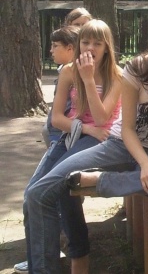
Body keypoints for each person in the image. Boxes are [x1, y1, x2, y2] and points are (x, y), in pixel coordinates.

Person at [25, 15, 148, 273]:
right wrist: (144, 165)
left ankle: (100, 180)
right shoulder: (137, 69)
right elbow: (127, 129)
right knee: (37, 193)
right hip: (119, 144)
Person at [22, 20, 122, 274]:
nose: (90, 48)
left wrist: (88, 80)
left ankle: (57, 263)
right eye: (85, 42)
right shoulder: (68, 71)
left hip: (101, 141)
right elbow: (56, 119)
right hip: (75, 135)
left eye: (97, 43)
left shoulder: (117, 76)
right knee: (30, 196)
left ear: (107, 47)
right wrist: (85, 128)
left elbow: (101, 118)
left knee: (48, 191)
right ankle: (39, 265)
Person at [41, 9, 93, 147]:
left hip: (70, 130)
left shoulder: (85, 68)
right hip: (62, 127)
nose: (81, 29)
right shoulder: (66, 69)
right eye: (77, 24)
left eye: (84, 25)